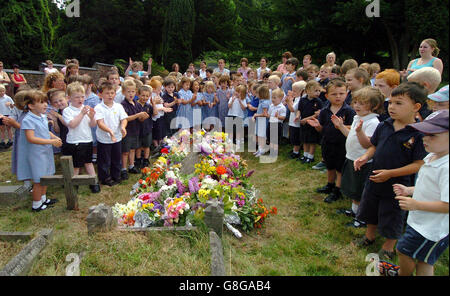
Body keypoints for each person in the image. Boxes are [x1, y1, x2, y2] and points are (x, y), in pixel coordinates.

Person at [353, 82, 428, 261]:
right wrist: (365, 157)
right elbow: (375, 146)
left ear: (416, 107)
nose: (392, 107)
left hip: (398, 184)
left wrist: (391, 173)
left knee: (392, 214)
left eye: (399, 103)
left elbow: (418, 164)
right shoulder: (385, 124)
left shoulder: (418, 133)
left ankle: (388, 247)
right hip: (375, 177)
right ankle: (369, 236)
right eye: (391, 102)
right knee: (370, 207)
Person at [378, 110, 449, 276]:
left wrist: (416, 204)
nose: (424, 139)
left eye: (433, 136)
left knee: (403, 250)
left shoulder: (447, 168)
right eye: (424, 134)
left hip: (431, 229)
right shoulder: (433, 156)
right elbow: (432, 188)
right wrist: (409, 190)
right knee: (424, 259)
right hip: (421, 221)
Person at [333, 87, 384, 227]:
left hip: (363, 162)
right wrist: (341, 126)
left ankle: (362, 218)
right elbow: (350, 135)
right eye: (355, 102)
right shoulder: (358, 118)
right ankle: (355, 211)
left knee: (361, 190)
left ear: (374, 106)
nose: (356, 106)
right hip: (351, 158)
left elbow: (368, 144)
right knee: (354, 188)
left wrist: (360, 131)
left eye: (362, 103)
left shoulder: (373, 122)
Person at [308, 78, 356, 202]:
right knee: (330, 165)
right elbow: (322, 128)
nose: (338, 97)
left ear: (346, 94)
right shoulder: (324, 111)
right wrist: (317, 126)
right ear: (327, 96)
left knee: (339, 167)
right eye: (334, 94)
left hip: (342, 144)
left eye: (341, 93)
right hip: (327, 142)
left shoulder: (349, 111)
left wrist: (341, 126)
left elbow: (353, 128)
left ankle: (338, 189)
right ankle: (330, 184)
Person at [17, 90, 62, 212]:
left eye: (45, 102)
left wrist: (53, 136)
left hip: (45, 152)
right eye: (41, 102)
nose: (45, 105)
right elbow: (31, 138)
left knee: (45, 176)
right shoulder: (28, 120)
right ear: (31, 106)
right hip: (35, 153)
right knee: (39, 179)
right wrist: (51, 142)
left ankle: (43, 199)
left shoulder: (41, 116)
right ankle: (36, 204)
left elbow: (44, 131)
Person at [62, 82, 100, 193]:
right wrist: (82, 114)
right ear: (69, 98)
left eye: (82, 97)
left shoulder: (86, 108)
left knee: (88, 162)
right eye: (77, 97)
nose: (80, 99)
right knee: (76, 165)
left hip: (87, 139)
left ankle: (94, 181)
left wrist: (92, 117)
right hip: (74, 141)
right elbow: (72, 124)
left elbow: (92, 125)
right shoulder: (67, 111)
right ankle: (74, 183)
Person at [94, 81, 128, 186]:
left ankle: (116, 175)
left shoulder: (118, 106)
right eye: (107, 93)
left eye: (112, 93)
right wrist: (110, 131)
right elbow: (100, 123)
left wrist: (123, 127)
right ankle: (105, 178)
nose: (110, 95)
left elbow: (124, 119)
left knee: (116, 158)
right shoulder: (98, 108)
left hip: (117, 138)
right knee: (104, 160)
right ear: (101, 95)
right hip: (104, 139)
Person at [1, 89, 32, 189]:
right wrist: (7, 120)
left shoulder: (33, 112)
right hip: (20, 139)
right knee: (22, 158)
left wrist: (15, 124)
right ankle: (26, 181)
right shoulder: (16, 109)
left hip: (31, 139)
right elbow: (12, 117)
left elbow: (28, 127)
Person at [120, 80, 148, 180]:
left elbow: (139, 118)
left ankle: (131, 165)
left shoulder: (136, 104)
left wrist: (143, 117)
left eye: (132, 91)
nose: (131, 94)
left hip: (136, 130)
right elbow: (126, 118)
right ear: (123, 92)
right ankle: (123, 169)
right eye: (128, 91)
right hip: (127, 131)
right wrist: (138, 115)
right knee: (125, 151)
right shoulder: (123, 104)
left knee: (132, 149)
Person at [298, 80, 324, 164]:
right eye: (315, 90)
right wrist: (298, 116)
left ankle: (310, 156)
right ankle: (305, 155)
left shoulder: (318, 101)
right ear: (307, 91)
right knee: (305, 139)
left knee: (312, 141)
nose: (318, 93)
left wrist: (307, 119)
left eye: (319, 91)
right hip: (303, 123)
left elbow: (317, 114)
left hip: (312, 123)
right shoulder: (302, 100)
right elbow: (299, 109)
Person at [285, 81, 306, 159]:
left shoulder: (300, 99)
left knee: (295, 137)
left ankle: (296, 152)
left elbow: (293, 109)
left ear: (302, 91)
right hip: (292, 121)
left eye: (294, 91)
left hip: (296, 122)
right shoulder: (297, 98)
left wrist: (288, 101)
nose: (293, 92)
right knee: (293, 136)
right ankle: (295, 149)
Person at [266, 88, 287, 155]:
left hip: (277, 124)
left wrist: (278, 116)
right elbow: (269, 114)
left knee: (275, 138)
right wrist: (267, 115)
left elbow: (283, 117)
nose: (273, 99)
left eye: (275, 98)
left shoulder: (282, 107)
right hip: (270, 123)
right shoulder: (271, 106)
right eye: (272, 97)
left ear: (281, 98)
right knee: (270, 137)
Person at [253, 84, 271, 157]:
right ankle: (260, 149)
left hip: (263, 122)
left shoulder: (265, 103)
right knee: (259, 135)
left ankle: (262, 150)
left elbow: (265, 114)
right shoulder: (261, 101)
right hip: (259, 121)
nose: (256, 94)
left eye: (257, 93)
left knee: (262, 136)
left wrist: (256, 115)